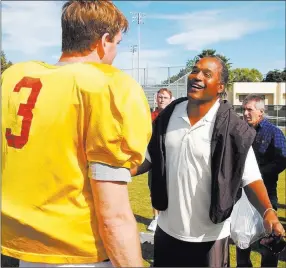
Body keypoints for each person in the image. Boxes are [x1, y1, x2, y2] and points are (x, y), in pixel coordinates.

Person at [1, 1, 152, 267]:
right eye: (116, 42)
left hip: (27, 251)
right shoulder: (105, 85)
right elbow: (114, 215)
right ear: (104, 41)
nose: (115, 52)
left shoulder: (15, 77)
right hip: (82, 253)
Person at [131, 56, 285, 267]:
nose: (197, 77)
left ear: (220, 87)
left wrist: (268, 212)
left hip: (210, 238)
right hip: (167, 232)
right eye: (195, 71)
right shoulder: (168, 115)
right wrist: (115, 170)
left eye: (207, 74)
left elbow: (250, 178)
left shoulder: (233, 128)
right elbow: (148, 159)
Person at [236, 94, 286, 267]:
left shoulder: (274, 133)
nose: (245, 113)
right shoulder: (240, 132)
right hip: (241, 196)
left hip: (266, 194)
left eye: (250, 109)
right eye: (243, 109)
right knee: (243, 241)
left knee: (268, 243)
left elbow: (281, 161)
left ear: (261, 112)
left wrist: (254, 176)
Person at [148, 88, 173, 232]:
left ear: (170, 99)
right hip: (154, 157)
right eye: (160, 97)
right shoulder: (150, 116)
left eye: (165, 97)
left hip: (171, 157)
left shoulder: (174, 115)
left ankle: (171, 217)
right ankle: (156, 218)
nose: (162, 99)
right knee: (154, 187)